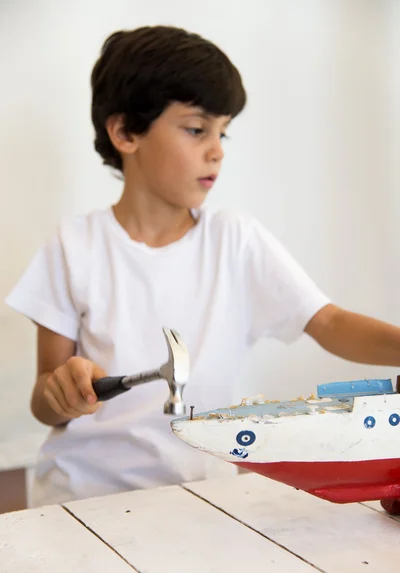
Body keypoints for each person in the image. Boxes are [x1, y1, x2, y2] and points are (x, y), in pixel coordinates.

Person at [5, 26, 400, 507]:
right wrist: (62, 391)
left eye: (222, 131)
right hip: (83, 500)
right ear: (125, 132)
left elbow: (330, 322)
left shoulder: (235, 241)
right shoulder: (74, 245)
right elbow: (46, 404)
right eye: (196, 129)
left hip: (204, 499)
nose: (217, 150)